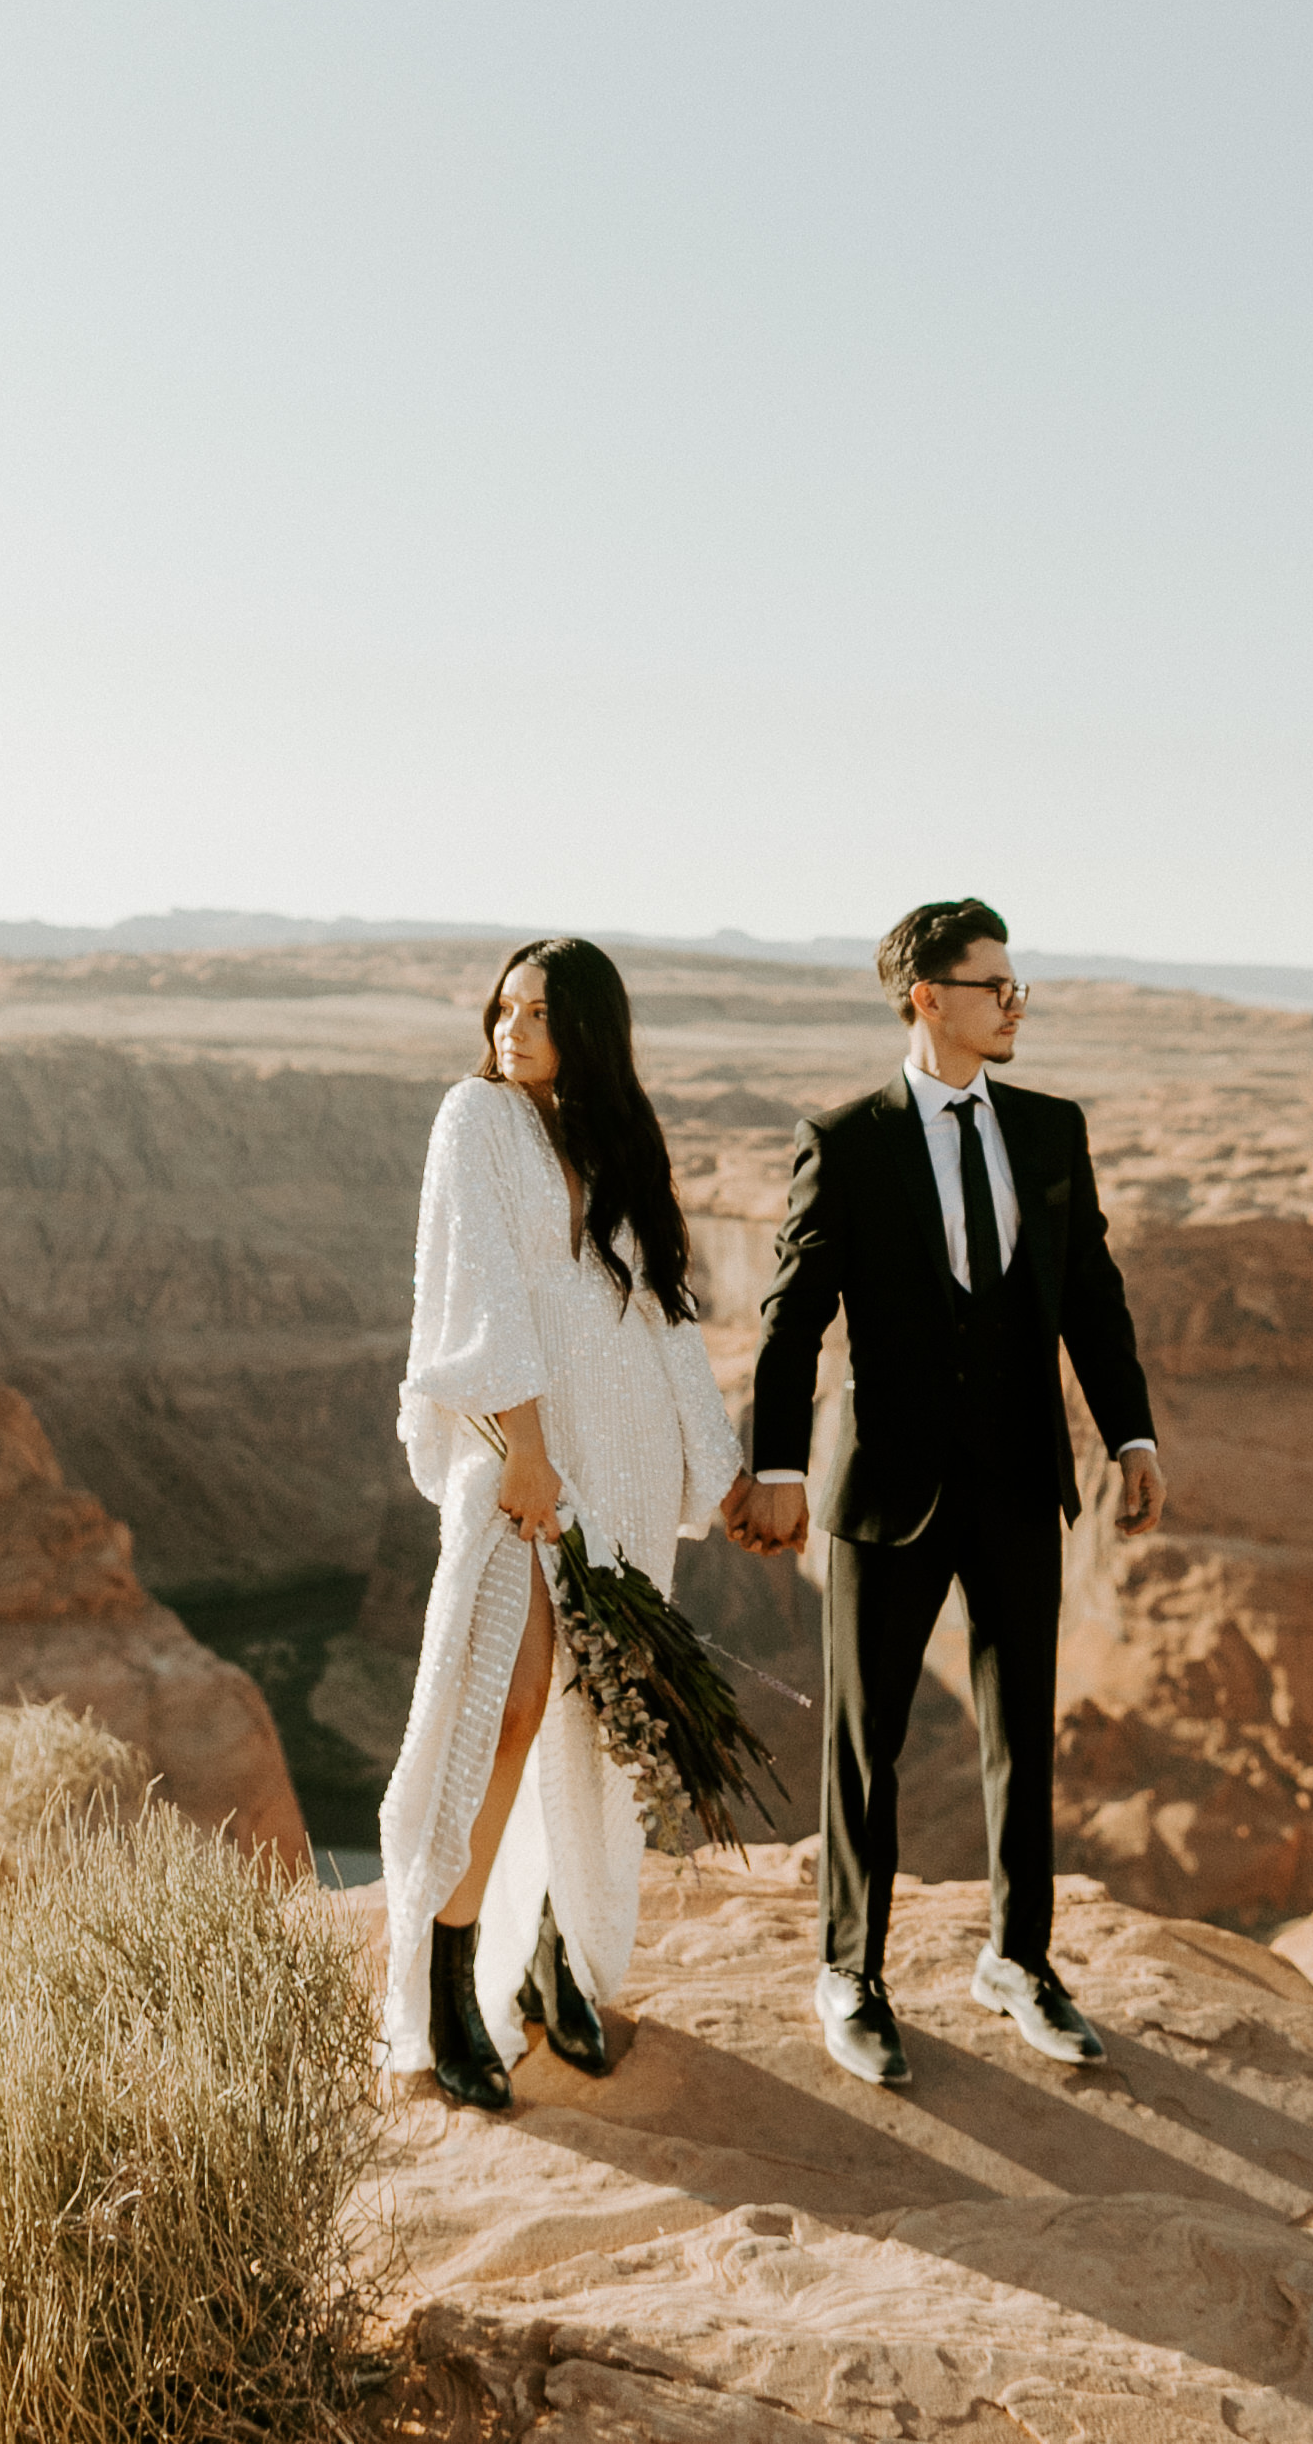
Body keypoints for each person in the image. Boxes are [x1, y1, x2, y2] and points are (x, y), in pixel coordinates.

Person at [728, 898, 1163, 2087]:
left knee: (1025, 1727)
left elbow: (1093, 1297)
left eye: (1018, 986)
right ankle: (850, 1975)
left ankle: (1018, 1962)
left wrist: (1130, 1433)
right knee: (863, 1739)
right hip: (888, 1486)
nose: (1015, 1004)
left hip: (1023, 1476)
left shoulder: (1051, 1130)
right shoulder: (849, 1138)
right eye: (995, 986)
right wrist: (773, 1466)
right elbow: (793, 1317)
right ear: (929, 996)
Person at [377, 936, 753, 2111]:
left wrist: (717, 1469)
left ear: (588, 1027)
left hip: (626, 1470)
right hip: (531, 1469)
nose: (511, 1027)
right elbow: (476, 1285)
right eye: (503, 1006)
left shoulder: (609, 1136)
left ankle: (557, 1959)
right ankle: (445, 1976)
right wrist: (526, 1450)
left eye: (539, 1011)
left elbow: (663, 1319)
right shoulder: (475, 1122)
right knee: (506, 1704)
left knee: (595, 1729)